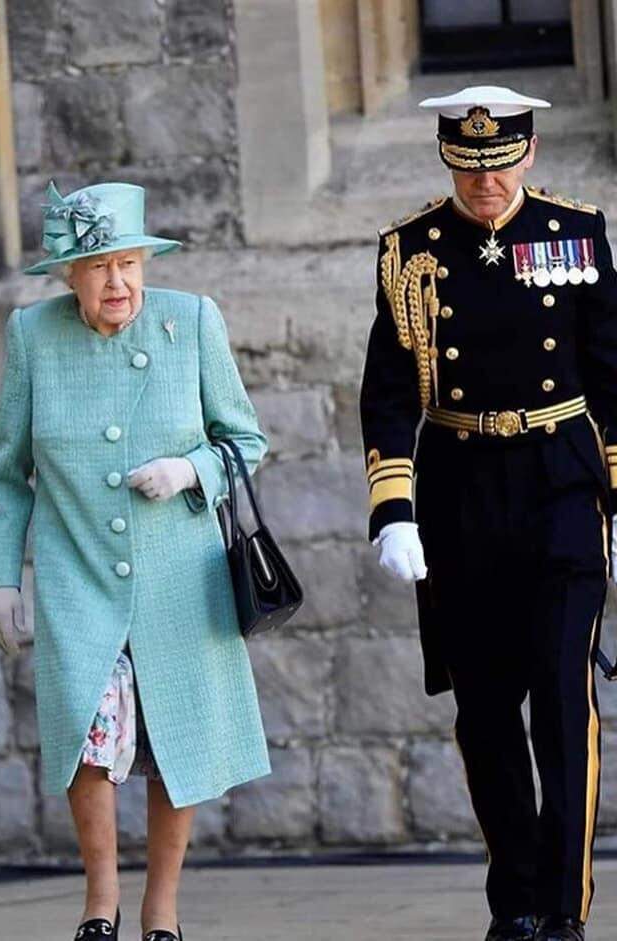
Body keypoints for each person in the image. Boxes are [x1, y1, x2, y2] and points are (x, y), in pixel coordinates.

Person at [0, 181, 270, 941]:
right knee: (88, 736)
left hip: (180, 577)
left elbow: (246, 440)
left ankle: (161, 908)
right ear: (68, 274)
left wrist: (190, 472)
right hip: (79, 578)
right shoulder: (33, 335)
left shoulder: (192, 321)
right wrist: (3, 578)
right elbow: (6, 474)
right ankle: (99, 903)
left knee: (175, 738)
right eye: (100, 266)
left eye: (130, 263)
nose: (118, 282)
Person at [360, 86, 617, 941]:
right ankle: (513, 901)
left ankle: (562, 905)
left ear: (529, 155)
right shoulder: (410, 250)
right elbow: (389, 392)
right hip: (461, 488)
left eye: (502, 167)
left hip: (559, 482)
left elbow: (612, 376)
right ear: (449, 160)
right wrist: (393, 507)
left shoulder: (575, 234)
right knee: (484, 708)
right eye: (472, 171)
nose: (488, 187)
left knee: (560, 694)